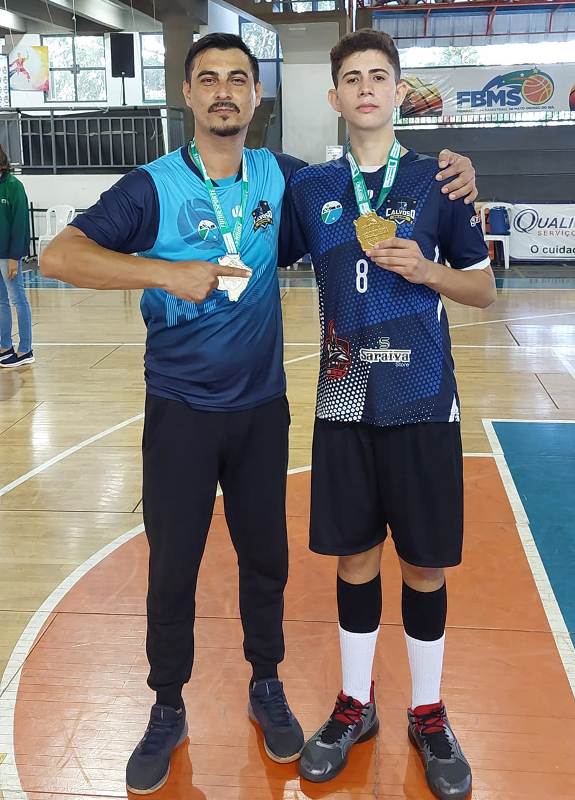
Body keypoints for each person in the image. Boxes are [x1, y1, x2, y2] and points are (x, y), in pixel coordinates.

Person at [41, 32, 479, 796]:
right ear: (186, 93)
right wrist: (163, 273)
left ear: (255, 97)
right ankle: (174, 706)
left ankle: (290, 688)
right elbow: (58, 257)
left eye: (237, 79)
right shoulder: (180, 186)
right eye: (208, 79)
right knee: (185, 566)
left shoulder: (290, 179)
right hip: (216, 404)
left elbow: (419, 237)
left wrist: (458, 177)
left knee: (278, 561)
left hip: (298, 406)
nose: (223, 91)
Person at [281, 29, 495, 800]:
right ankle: (354, 705)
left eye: (379, 75)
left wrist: (427, 269)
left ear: (398, 92)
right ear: (333, 97)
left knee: (424, 564)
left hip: (423, 398)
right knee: (353, 558)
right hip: (342, 395)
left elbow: (481, 291)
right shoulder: (307, 188)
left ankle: (429, 712)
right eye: (351, 78)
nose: (366, 87)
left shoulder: (442, 179)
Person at [0, 145, 34, 369]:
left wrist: (14, 257)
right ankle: (4, 346)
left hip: (7, 256)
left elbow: (20, 224)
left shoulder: (13, 187)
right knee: (0, 302)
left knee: (17, 300)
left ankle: (26, 349)